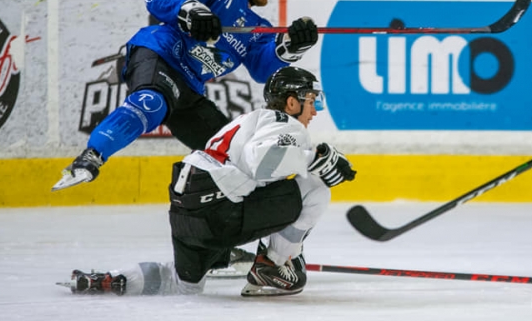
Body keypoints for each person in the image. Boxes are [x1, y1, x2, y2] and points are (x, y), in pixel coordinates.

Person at [60, 67, 357, 298]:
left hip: (185, 212)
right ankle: (274, 266)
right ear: (292, 102)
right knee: (316, 188)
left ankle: (109, 280)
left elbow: (254, 170)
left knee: (183, 284)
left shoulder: (249, 120)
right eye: (310, 100)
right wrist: (313, 160)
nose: (315, 110)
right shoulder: (285, 123)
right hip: (218, 212)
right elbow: (262, 161)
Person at [52, 0, 320, 191]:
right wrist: (189, 9)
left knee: (230, 155)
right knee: (151, 102)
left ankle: (229, 239)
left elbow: (261, 69)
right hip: (160, 53)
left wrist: (292, 44)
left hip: (189, 88)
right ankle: (90, 158)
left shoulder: (257, 27)